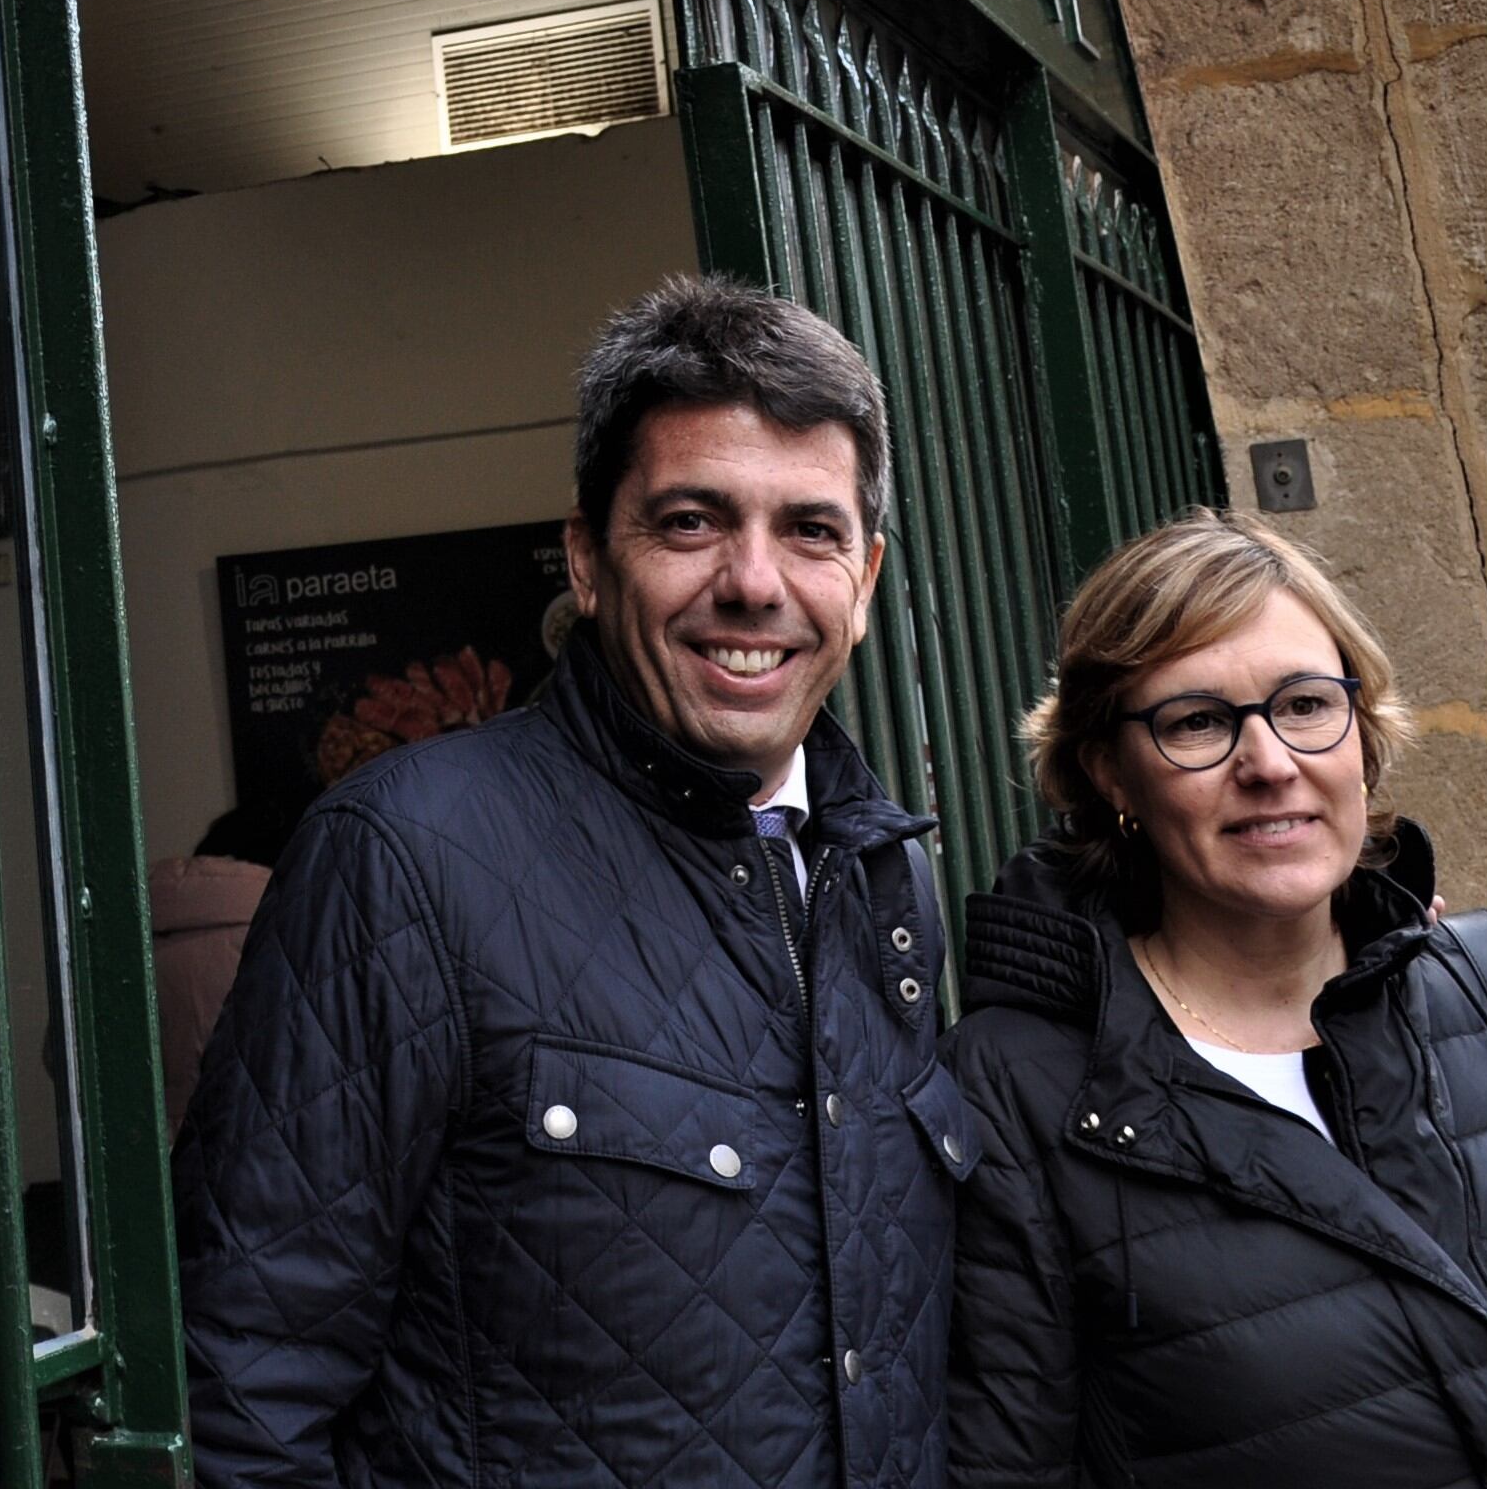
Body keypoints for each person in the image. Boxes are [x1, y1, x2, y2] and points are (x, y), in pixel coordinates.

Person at [176, 274, 958, 1489]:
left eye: (809, 529)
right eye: (691, 521)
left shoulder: (882, 871)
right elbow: (244, 1386)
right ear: (587, 561)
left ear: (862, 580)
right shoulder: (405, 857)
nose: (754, 581)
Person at [942, 511, 1487, 1489]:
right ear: (1109, 770)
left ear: (1360, 733)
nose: (1269, 761)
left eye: (1304, 703)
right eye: (1196, 721)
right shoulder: (1021, 1091)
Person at [150, 805, 281, 1143]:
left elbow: (59, 1052)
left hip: (141, 1154)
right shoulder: (283, 933)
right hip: (250, 1139)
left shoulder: (128, 933)